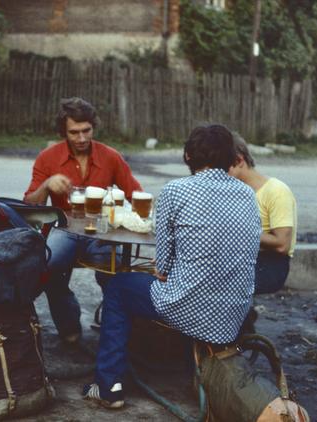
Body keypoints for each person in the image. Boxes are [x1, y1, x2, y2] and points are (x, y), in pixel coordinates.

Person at [82, 124, 261, 409]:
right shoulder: (248, 194)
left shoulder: (176, 190)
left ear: (188, 156)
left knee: (117, 285)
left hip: (190, 309)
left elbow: (162, 267)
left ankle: (108, 387)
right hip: (234, 312)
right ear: (232, 158)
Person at [24, 97, 143, 343]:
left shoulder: (110, 156)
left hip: (101, 230)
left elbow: (135, 194)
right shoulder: (48, 157)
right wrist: (47, 185)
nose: (81, 138)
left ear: (94, 127)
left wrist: (126, 212)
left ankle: (114, 328)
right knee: (47, 264)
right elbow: (29, 206)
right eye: (74, 132)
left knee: (117, 267)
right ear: (63, 132)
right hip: (66, 228)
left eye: (86, 131)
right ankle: (69, 328)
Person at [229, 133, 297, 294]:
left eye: (222, 168)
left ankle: (243, 316)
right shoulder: (230, 191)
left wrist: (236, 231)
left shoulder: (276, 190)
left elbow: (282, 244)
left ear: (239, 161)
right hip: (239, 260)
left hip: (269, 265)